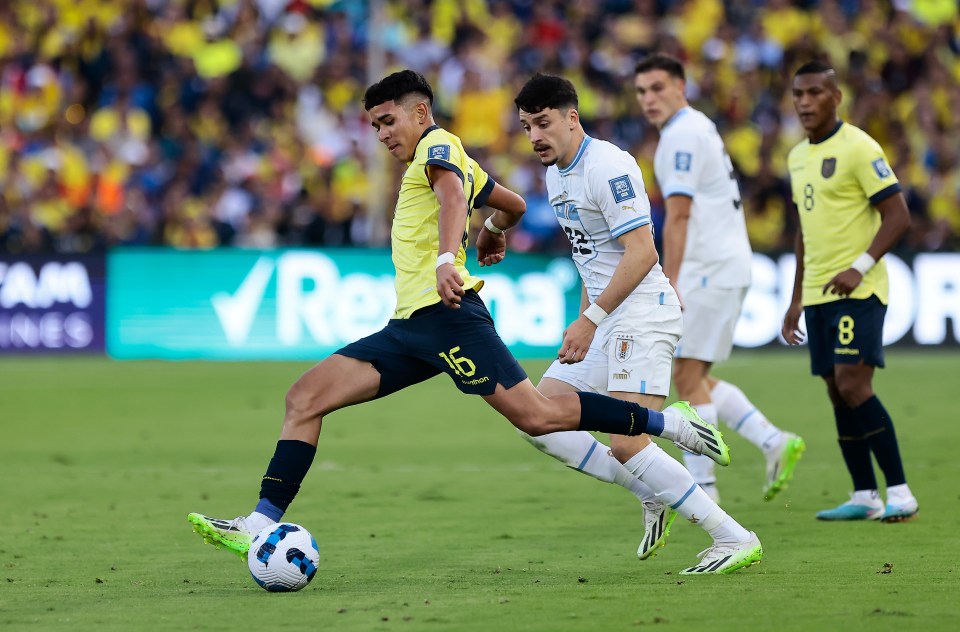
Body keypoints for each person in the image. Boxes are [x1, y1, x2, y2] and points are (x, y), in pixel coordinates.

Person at [187, 70, 728, 559]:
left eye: (388, 120)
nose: (381, 134)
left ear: (419, 113)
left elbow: (451, 196)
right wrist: (493, 230)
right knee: (304, 398)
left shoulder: (439, 147)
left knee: (539, 416)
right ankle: (258, 525)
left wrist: (451, 256)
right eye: (374, 126)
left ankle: (670, 424)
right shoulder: (465, 162)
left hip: (449, 317)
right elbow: (509, 203)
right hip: (408, 329)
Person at [511, 72, 762, 575]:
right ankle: (653, 492)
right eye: (526, 127)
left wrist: (591, 320)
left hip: (643, 317)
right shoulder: (555, 173)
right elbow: (590, 257)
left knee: (627, 441)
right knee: (537, 419)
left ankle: (733, 537)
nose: (535, 136)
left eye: (543, 123)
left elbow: (643, 251)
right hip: (605, 322)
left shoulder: (608, 165)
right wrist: (585, 322)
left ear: (571, 118)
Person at [633, 53, 806, 505]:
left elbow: (680, 213)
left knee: (687, 382)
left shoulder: (681, 135)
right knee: (694, 376)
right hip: (720, 265)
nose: (648, 99)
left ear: (680, 87)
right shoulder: (694, 127)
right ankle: (772, 441)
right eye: (641, 91)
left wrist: (669, 279)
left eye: (657, 88)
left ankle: (705, 494)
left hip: (706, 269)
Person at [782, 61, 918, 522]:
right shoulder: (797, 156)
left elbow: (898, 214)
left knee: (853, 383)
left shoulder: (859, 147)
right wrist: (796, 297)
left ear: (835, 97)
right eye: (798, 94)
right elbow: (804, 229)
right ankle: (865, 494)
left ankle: (900, 492)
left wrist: (860, 267)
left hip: (859, 290)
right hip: (819, 294)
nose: (804, 102)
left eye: (815, 92)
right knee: (836, 391)